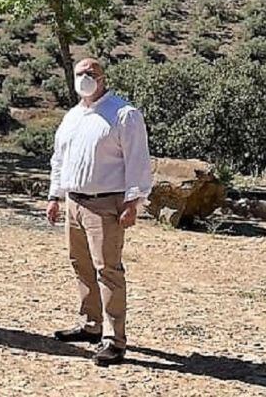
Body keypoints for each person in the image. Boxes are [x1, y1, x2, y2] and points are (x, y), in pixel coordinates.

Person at [46, 57, 153, 366]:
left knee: (108, 271)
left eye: (91, 72)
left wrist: (134, 202)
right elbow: (59, 159)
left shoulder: (123, 114)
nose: (85, 77)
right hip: (75, 203)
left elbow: (137, 160)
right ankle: (92, 325)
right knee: (80, 264)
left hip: (107, 204)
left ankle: (114, 340)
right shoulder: (73, 116)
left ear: (103, 77)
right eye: (80, 73)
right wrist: (55, 196)